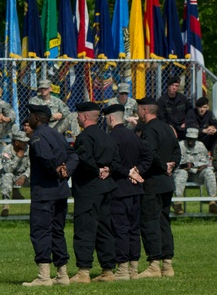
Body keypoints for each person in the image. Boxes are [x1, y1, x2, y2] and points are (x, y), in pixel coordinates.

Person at [22, 104, 77, 287]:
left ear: (37, 118)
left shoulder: (38, 137)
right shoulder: (57, 134)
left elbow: (44, 157)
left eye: (31, 116)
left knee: (41, 231)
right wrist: (66, 169)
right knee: (57, 231)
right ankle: (62, 274)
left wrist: (56, 170)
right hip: (61, 191)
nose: (28, 119)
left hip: (44, 192)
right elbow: (73, 155)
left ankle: (44, 276)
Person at [68, 102, 119, 284]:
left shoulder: (84, 137)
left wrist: (96, 170)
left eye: (78, 115)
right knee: (105, 229)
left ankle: (83, 271)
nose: (77, 118)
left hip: (88, 189)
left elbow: (84, 159)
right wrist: (108, 170)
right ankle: (108, 269)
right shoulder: (107, 137)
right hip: (105, 187)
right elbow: (116, 159)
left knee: (85, 228)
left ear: (84, 116)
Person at [104, 103, 153, 280]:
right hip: (136, 189)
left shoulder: (111, 137)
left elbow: (114, 164)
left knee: (121, 229)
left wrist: (128, 172)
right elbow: (148, 156)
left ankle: (122, 269)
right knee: (133, 229)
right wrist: (138, 170)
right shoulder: (133, 136)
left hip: (119, 189)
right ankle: (133, 268)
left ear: (111, 118)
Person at [135, 97, 181, 279]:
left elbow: (150, 154)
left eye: (139, 108)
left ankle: (154, 264)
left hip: (153, 183)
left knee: (149, 222)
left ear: (145, 110)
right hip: (167, 183)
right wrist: (171, 166)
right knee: (163, 222)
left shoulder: (149, 130)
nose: (137, 112)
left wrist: (163, 166)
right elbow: (177, 151)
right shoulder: (167, 128)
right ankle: (167, 265)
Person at [174, 127, 217, 215]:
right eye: (189, 138)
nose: (190, 141)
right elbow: (177, 162)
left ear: (196, 138)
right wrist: (187, 166)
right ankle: (178, 203)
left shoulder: (200, 146)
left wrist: (194, 165)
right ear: (186, 137)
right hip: (183, 173)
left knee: (209, 172)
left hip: (197, 174)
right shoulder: (180, 145)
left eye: (193, 139)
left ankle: (212, 203)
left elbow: (205, 161)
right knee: (182, 173)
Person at [0, 131, 31, 217]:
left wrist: (24, 176)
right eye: (23, 142)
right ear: (16, 143)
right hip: (12, 175)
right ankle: (5, 205)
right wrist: (17, 157)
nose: (26, 143)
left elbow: (32, 166)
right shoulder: (7, 150)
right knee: (6, 175)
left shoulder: (28, 149)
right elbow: (7, 169)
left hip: (25, 176)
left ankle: (37, 206)